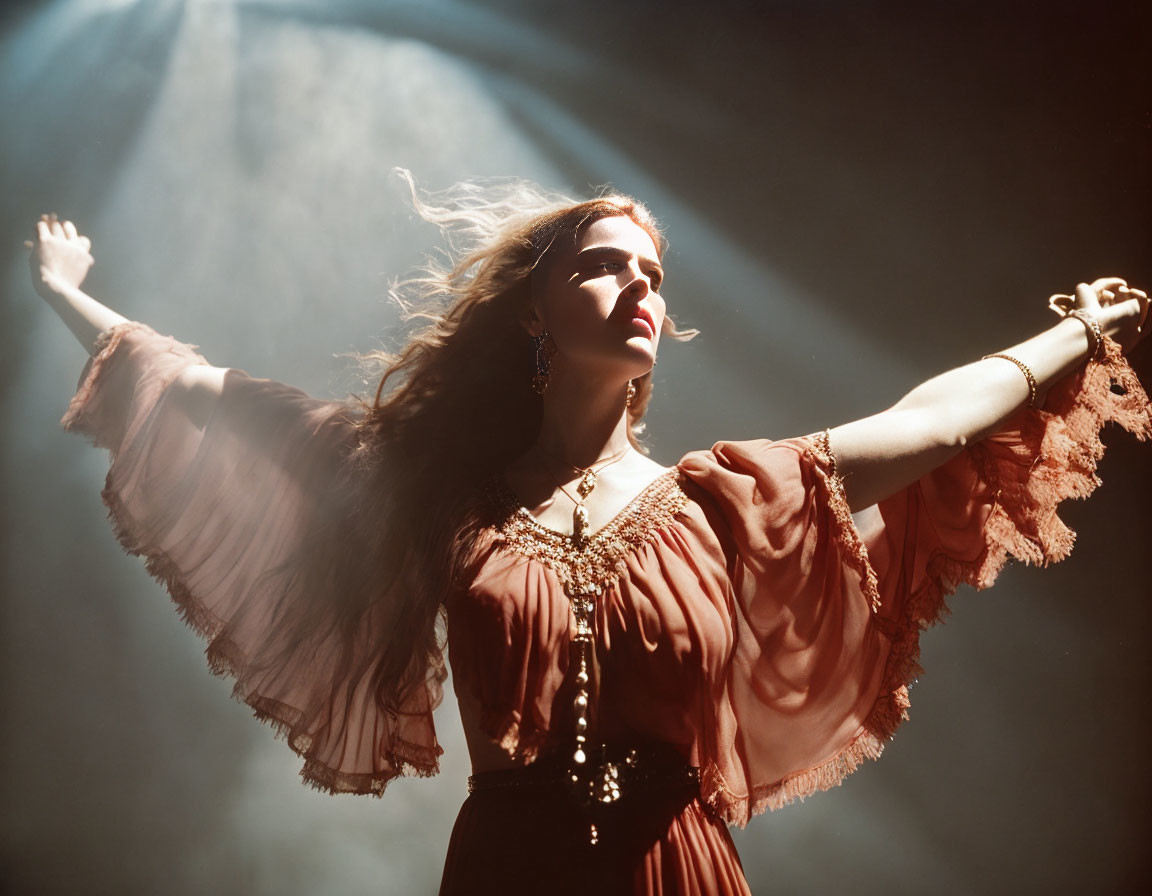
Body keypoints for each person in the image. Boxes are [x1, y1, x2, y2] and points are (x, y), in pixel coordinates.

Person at [25, 173, 1151, 895]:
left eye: (654, 273)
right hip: (508, 868)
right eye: (607, 264)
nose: (640, 286)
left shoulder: (722, 497)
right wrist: (69, 295)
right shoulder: (439, 492)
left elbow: (932, 422)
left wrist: (1081, 331)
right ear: (534, 308)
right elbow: (223, 395)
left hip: (678, 868)